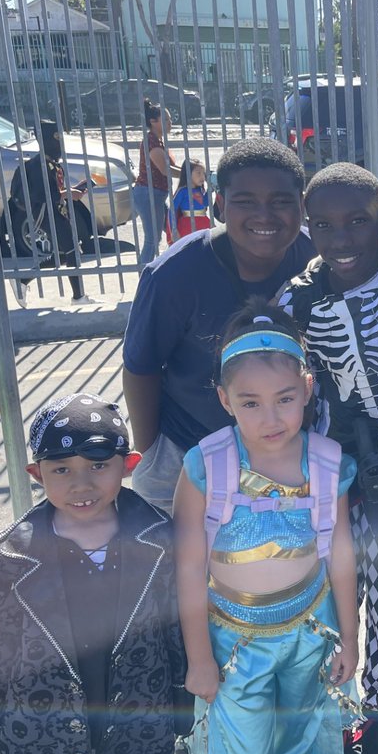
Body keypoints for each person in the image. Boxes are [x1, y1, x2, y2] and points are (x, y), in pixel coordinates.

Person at [172, 305, 360, 754]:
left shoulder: (325, 463)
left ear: (307, 388)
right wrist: (199, 657)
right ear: (224, 400)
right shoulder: (205, 467)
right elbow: (189, 570)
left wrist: (350, 636)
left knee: (298, 740)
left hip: (309, 634)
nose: (270, 419)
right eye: (250, 403)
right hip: (234, 649)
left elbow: (340, 555)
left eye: (284, 400)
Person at [0, 394, 185, 754]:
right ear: (37, 474)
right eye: (61, 469)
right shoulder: (14, 552)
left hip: (138, 729)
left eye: (98, 466)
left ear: (129, 465)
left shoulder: (158, 538)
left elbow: (175, 625)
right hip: (41, 737)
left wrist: (182, 701)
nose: (81, 485)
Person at [276, 163, 378, 754]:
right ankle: (329, 709)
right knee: (326, 599)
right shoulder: (297, 300)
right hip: (329, 478)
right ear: (308, 230)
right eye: (324, 225)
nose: (341, 238)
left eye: (358, 221)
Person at [122, 138, 316, 515]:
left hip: (284, 452)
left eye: (281, 201)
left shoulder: (316, 263)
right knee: (177, 570)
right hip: (186, 447)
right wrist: (150, 452)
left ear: (302, 206)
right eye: (245, 201)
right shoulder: (174, 275)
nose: (265, 215)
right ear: (220, 206)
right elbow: (141, 367)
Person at [5, 120, 94, 307]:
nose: (59, 144)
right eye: (55, 139)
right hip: (46, 213)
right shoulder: (40, 165)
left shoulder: (50, 163)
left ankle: (22, 280)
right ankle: (78, 297)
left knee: (65, 253)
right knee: (72, 251)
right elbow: (42, 195)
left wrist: (74, 189)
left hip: (56, 211)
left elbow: (54, 189)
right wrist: (70, 194)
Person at [133, 98, 179, 264]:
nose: (170, 122)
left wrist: (189, 172)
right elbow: (165, 169)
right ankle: (144, 279)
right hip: (148, 194)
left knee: (172, 231)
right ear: (153, 121)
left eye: (170, 119)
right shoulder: (151, 141)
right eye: (165, 119)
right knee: (152, 239)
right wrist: (188, 174)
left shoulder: (158, 140)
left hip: (157, 195)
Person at [171, 157, 212, 241]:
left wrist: (210, 191)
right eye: (198, 173)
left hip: (203, 222)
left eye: (203, 173)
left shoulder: (200, 190)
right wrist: (174, 229)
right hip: (187, 225)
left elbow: (204, 204)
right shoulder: (182, 191)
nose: (202, 177)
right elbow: (172, 210)